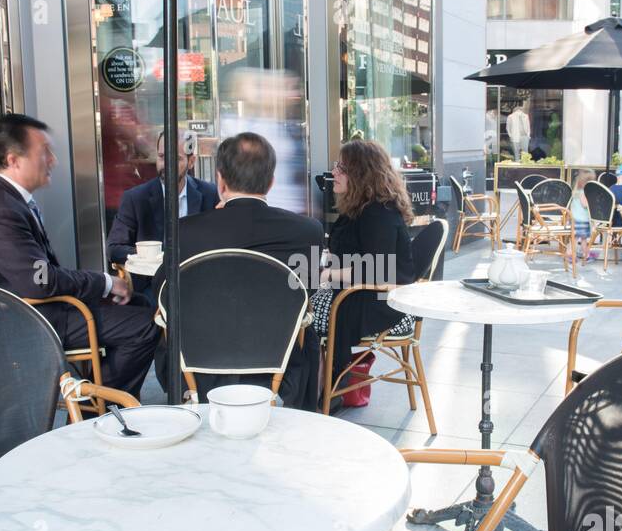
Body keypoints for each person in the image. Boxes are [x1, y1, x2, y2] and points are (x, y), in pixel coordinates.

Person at [0, 113, 159, 398]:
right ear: (14, 160)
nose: (53, 160)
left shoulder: (5, 199)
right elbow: (40, 280)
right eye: (45, 152)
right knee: (147, 325)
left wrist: (105, 285)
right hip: (29, 319)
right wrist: (105, 282)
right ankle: (99, 406)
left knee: (138, 303)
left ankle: (94, 397)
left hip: (33, 307)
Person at [157, 131, 325, 410]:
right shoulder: (307, 231)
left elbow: (161, 292)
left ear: (220, 180)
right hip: (277, 364)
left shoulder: (185, 231)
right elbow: (306, 292)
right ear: (270, 183)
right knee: (308, 335)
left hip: (198, 364)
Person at [311, 140, 416, 395]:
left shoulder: (377, 215)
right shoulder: (363, 208)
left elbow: (377, 270)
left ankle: (321, 391)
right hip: (361, 294)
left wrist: (327, 274)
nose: (333, 172)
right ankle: (320, 387)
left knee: (301, 316)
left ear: (360, 174)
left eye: (341, 168)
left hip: (381, 303)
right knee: (302, 300)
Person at [107, 129, 218, 268]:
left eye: (176, 158)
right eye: (161, 156)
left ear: (191, 162)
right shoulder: (135, 198)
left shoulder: (210, 193)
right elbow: (114, 249)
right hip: (150, 284)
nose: (166, 165)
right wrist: (151, 255)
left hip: (197, 280)